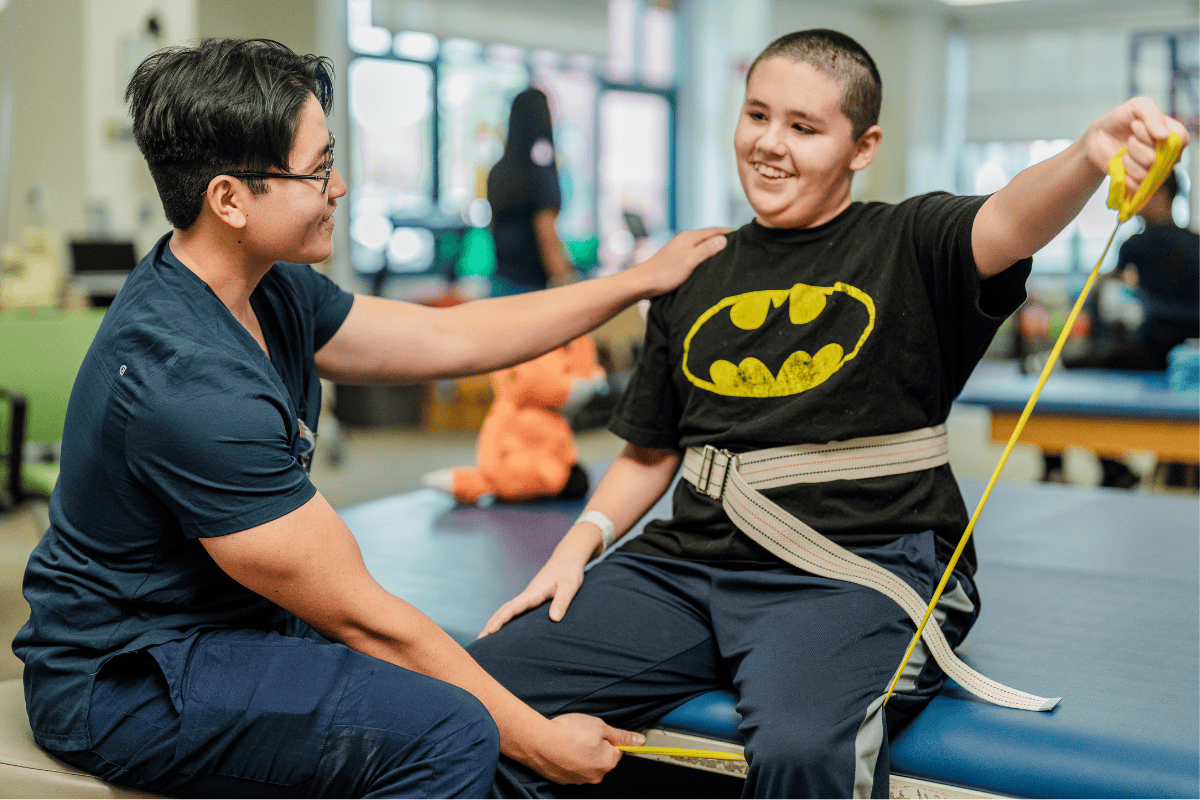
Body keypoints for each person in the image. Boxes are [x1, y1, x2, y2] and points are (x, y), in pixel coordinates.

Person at [466, 29, 1189, 799]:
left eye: (804, 128)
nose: (769, 145)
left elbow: (1009, 219)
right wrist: (577, 546)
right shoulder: (694, 268)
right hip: (687, 566)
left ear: (862, 145)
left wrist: (1086, 155)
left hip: (854, 570)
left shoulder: (907, 242)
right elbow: (651, 451)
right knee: (478, 693)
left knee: (804, 750)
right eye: (756, 116)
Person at [12, 38, 729, 798]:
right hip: (129, 679)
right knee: (458, 727)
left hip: (231, 628)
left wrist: (637, 282)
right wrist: (544, 742)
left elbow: (446, 337)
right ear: (229, 199)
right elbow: (366, 619)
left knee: (481, 685)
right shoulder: (186, 380)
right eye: (317, 169)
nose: (341, 184)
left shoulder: (267, 287)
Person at [487, 88, 574, 296]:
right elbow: (547, 237)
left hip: (500, 282)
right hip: (531, 290)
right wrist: (568, 284)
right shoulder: (540, 172)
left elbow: (493, 226)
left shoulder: (497, 171)